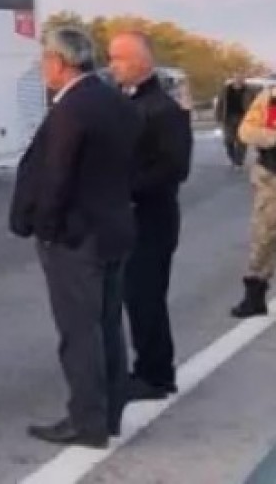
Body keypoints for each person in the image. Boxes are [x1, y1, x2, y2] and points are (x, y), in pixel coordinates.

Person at [10, 26, 139, 449]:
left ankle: (86, 420)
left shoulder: (71, 109)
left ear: (59, 63)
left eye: (44, 61)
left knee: (79, 332)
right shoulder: (116, 102)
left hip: (76, 236)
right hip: (115, 227)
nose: (43, 69)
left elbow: (56, 177)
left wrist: (45, 230)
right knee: (107, 324)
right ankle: (111, 411)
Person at [106, 32, 193, 400]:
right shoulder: (131, 104)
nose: (112, 66)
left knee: (146, 295)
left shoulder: (163, 111)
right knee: (135, 295)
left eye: (118, 59)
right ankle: (147, 366)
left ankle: (156, 374)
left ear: (141, 63)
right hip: (133, 219)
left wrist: (127, 189)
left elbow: (174, 168)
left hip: (152, 219)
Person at [229, 83, 276, 318]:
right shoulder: (270, 97)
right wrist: (271, 136)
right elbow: (246, 130)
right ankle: (254, 297)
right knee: (263, 237)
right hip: (271, 177)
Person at [216, 76, 254, 169]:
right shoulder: (226, 90)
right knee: (228, 140)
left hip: (243, 118)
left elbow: (254, 104)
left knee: (242, 141)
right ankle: (232, 158)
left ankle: (239, 162)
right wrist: (218, 116)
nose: (238, 79)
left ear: (243, 79)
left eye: (241, 77)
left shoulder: (249, 90)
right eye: (236, 77)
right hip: (228, 118)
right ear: (233, 79)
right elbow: (220, 103)